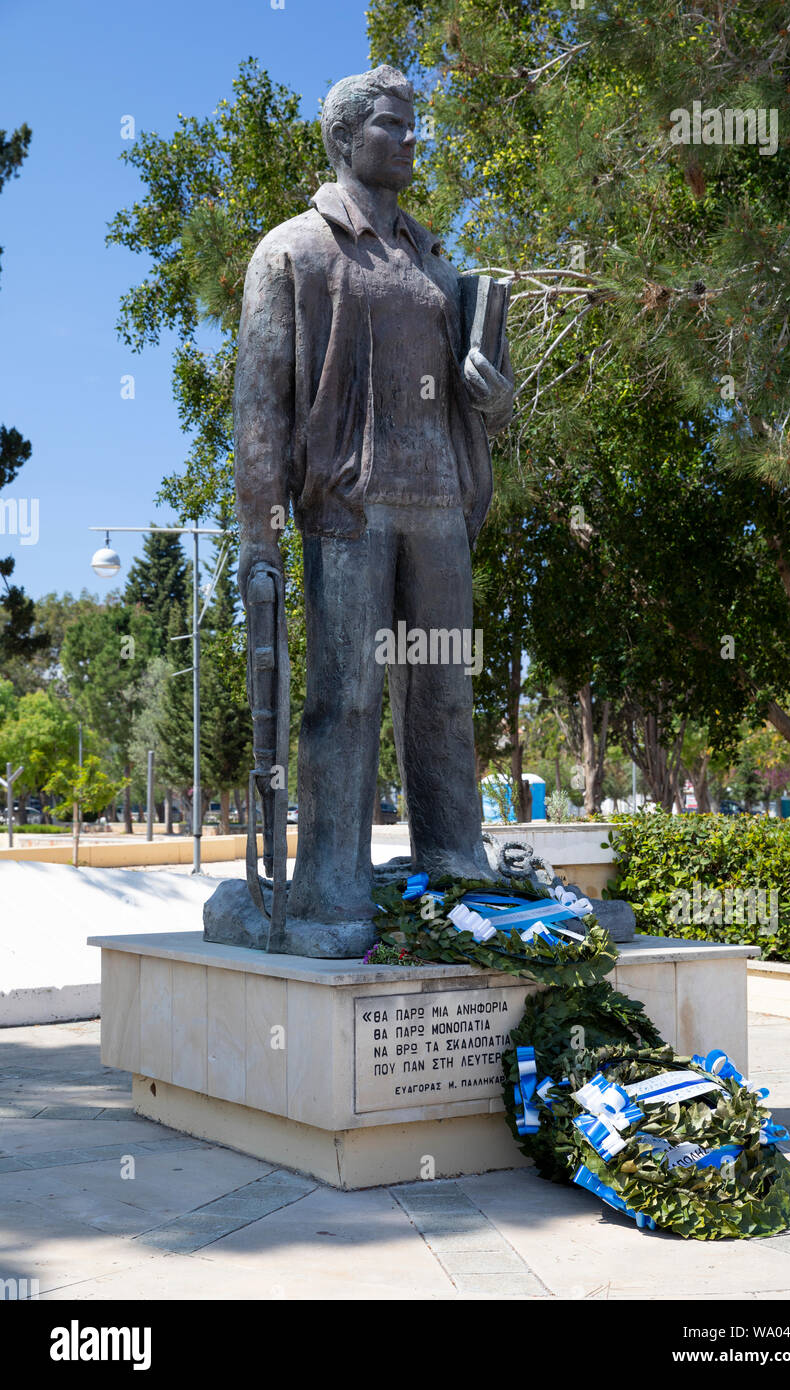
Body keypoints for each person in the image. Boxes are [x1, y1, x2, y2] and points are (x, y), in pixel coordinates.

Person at [234, 65, 514, 941]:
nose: (409, 139)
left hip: (437, 505)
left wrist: (492, 398)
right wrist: (257, 533)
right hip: (348, 507)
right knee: (344, 699)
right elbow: (258, 402)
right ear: (343, 139)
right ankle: (328, 882)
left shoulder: (433, 260)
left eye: (412, 125)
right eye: (392, 125)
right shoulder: (296, 249)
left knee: (440, 694)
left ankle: (454, 863)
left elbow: (478, 399)